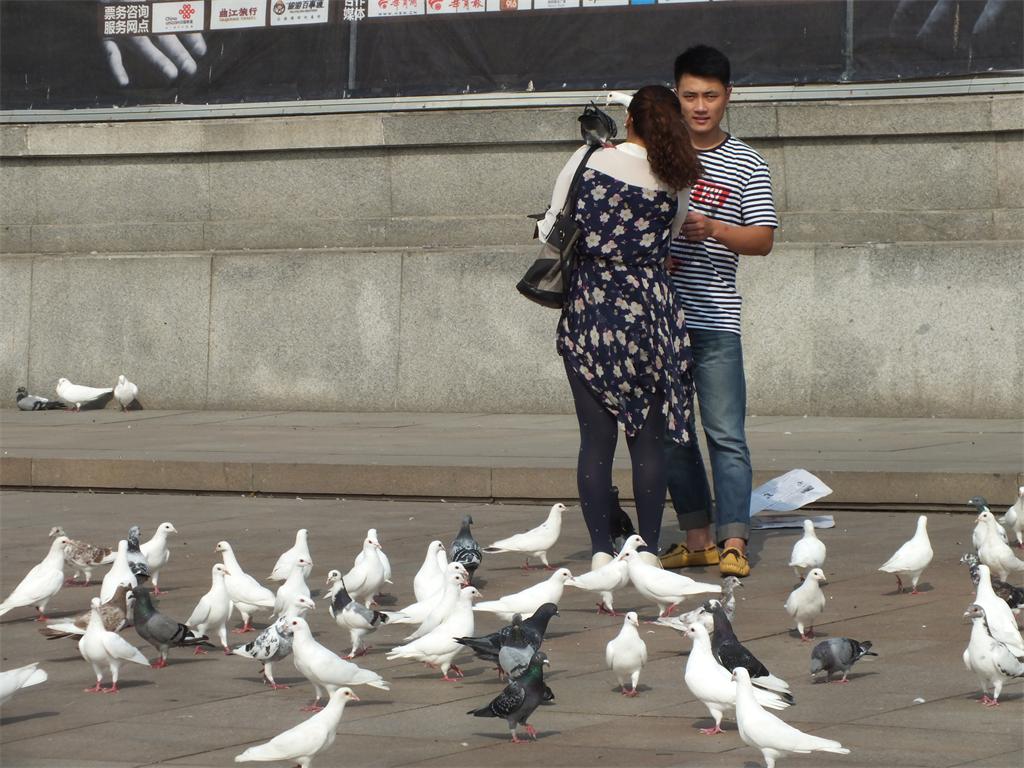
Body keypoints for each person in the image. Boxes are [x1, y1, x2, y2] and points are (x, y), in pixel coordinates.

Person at [539, 85, 702, 571]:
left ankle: (598, 551)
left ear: (628, 121)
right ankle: (647, 552)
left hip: (591, 310)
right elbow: (670, 239)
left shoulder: (587, 161)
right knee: (647, 441)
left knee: (596, 441)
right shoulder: (676, 180)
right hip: (650, 315)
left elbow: (553, 229)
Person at [659, 45, 778, 578]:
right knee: (673, 433)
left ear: (728, 96)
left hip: (715, 320)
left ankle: (734, 539)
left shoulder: (747, 161)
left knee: (726, 434)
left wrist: (714, 230)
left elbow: (762, 239)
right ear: (675, 96)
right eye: (689, 96)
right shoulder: (655, 155)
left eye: (710, 95)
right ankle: (698, 538)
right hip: (661, 319)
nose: (699, 106)